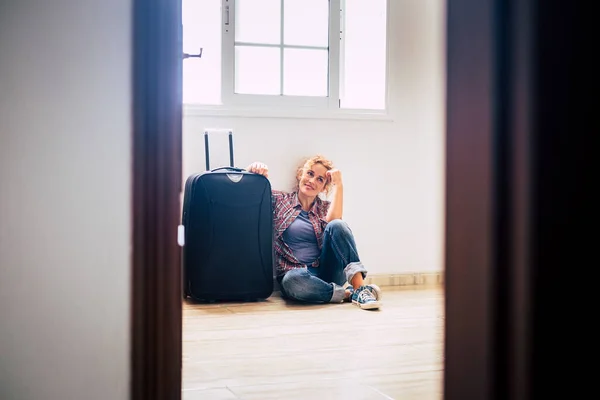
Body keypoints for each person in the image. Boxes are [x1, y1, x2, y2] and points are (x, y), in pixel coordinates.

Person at [247, 155, 382, 310]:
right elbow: (251, 195)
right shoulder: (280, 200)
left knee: (337, 224)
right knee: (292, 281)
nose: (312, 181)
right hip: (297, 276)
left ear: (324, 187)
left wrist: (339, 185)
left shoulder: (325, 208)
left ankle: (360, 289)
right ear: (300, 175)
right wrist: (252, 171)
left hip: (327, 271)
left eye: (320, 179)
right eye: (310, 174)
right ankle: (346, 294)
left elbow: (335, 226)